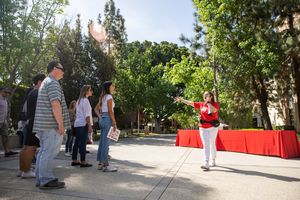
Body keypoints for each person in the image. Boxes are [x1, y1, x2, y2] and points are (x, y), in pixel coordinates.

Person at [33, 61, 71, 189]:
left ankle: (41, 178)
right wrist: (61, 125)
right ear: (55, 69)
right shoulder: (53, 82)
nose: (64, 71)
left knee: (44, 152)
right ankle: (46, 179)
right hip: (51, 126)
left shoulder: (46, 82)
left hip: (45, 125)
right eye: (62, 68)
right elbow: (55, 104)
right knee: (49, 152)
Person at [175, 91, 220, 171]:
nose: (205, 96)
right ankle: (206, 163)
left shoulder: (215, 104)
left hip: (213, 127)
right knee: (206, 144)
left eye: (207, 95)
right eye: (204, 95)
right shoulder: (201, 104)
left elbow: (213, 110)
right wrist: (181, 100)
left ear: (211, 97)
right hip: (203, 127)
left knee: (212, 143)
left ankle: (213, 160)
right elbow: (190, 103)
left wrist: (208, 103)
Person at [18, 74, 46, 178]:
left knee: (26, 147)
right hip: (34, 122)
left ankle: (22, 170)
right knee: (31, 147)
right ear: (40, 82)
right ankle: (26, 171)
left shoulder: (31, 92)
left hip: (30, 122)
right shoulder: (37, 93)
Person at [96, 81, 117, 172]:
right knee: (106, 143)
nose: (114, 87)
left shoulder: (103, 97)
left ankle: (101, 163)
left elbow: (96, 109)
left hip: (103, 119)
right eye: (112, 86)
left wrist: (100, 117)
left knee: (102, 142)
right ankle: (106, 165)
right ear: (108, 87)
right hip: (107, 119)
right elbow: (110, 111)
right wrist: (115, 123)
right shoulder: (109, 97)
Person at [71, 85, 93, 167]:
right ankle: (83, 161)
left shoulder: (78, 101)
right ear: (86, 91)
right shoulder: (86, 101)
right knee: (83, 143)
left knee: (77, 143)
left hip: (77, 124)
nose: (92, 91)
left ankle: (74, 160)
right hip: (83, 124)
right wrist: (90, 125)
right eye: (90, 90)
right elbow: (87, 115)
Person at [0, 87, 18, 158]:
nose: (7, 94)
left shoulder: (5, 100)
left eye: (8, 93)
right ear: (1, 91)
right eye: (5, 92)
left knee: (5, 136)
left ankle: (7, 151)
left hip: (3, 121)